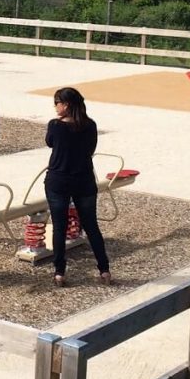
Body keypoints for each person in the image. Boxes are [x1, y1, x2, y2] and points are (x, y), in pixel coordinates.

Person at [45, 87, 111, 287]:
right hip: (84, 180)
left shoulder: (55, 126)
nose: (55, 106)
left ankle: (59, 271)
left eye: (57, 102)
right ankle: (104, 269)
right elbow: (90, 150)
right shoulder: (90, 125)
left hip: (59, 180)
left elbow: (50, 143)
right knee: (91, 226)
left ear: (66, 105)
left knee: (60, 226)